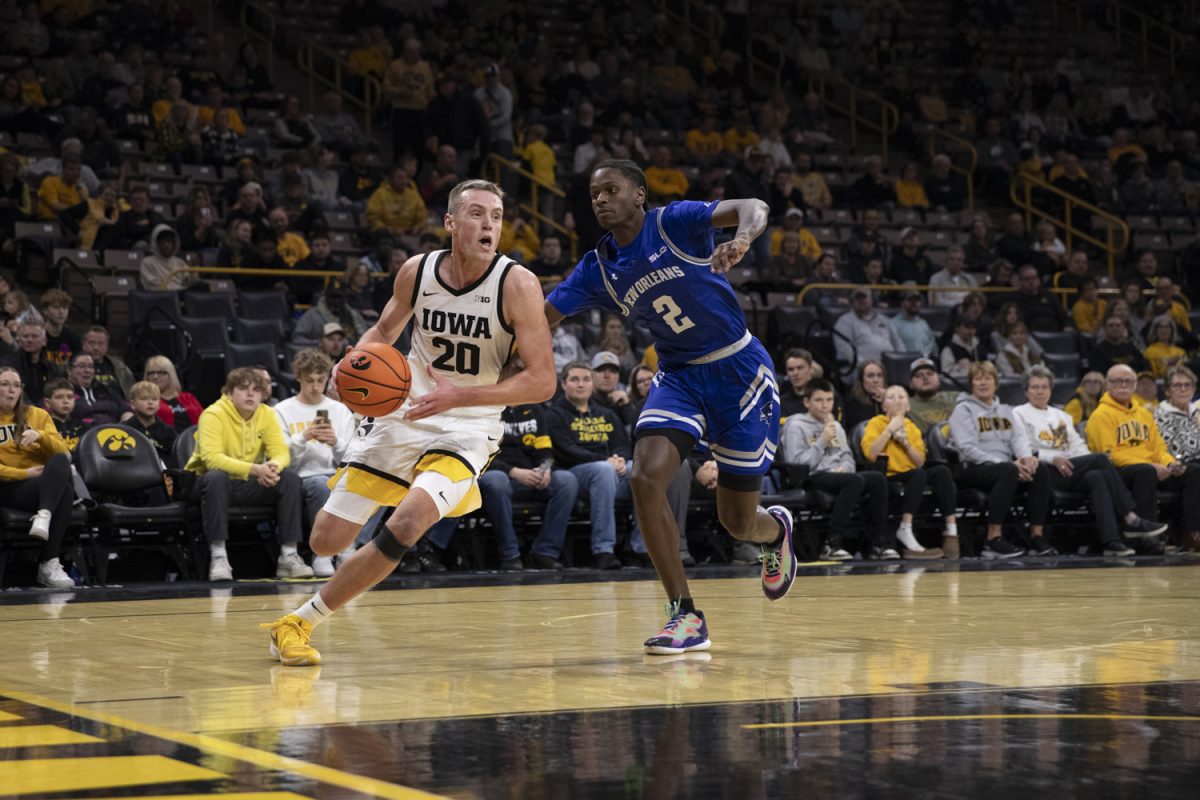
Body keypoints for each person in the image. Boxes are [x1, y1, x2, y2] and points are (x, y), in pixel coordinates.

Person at [262, 179, 556, 666]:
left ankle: (298, 622)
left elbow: (543, 381)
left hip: (469, 423)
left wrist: (460, 395)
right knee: (325, 540)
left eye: (497, 217)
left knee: (408, 520)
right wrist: (352, 362)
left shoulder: (517, 284)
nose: (489, 225)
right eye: (478, 214)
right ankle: (407, 483)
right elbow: (383, 330)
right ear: (450, 223)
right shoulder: (417, 272)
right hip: (405, 411)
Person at [543, 159, 793, 654]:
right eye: (594, 194)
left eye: (611, 189)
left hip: (737, 371)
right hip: (678, 376)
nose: (600, 200)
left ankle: (775, 533)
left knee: (737, 522)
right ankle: (685, 615)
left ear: (639, 194)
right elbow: (541, 316)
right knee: (644, 475)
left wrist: (741, 238)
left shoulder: (673, 222)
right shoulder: (597, 268)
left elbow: (754, 206)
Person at [1013, 366, 1163, 556]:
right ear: (1026, 391)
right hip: (1045, 472)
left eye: (1044, 387)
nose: (1040, 391)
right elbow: (1022, 448)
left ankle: (1112, 542)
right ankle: (1130, 517)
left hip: (1071, 469)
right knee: (1100, 459)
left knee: (1097, 475)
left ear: (1051, 389)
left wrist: (1085, 460)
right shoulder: (1018, 413)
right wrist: (1053, 458)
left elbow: (1077, 445)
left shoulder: (1062, 416)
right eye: (1034, 387)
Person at [186, 368, 310, 582]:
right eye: (243, 389)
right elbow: (212, 459)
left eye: (256, 390)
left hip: (247, 482)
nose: (251, 394)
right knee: (217, 477)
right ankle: (219, 556)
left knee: (289, 478)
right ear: (229, 392)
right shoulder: (213, 414)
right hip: (206, 483)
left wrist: (272, 467)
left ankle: (289, 555)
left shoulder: (267, 414)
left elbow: (281, 453)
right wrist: (256, 470)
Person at [1087, 364, 1199, 555]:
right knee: (1144, 472)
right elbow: (1108, 456)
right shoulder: (1101, 415)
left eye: (1128, 381)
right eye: (1117, 381)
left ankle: (1190, 533)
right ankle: (1144, 538)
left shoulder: (1144, 414)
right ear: (1107, 385)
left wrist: (1170, 463)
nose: (1123, 385)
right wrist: (1150, 465)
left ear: (1135, 385)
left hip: (1151, 468)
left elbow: (1158, 448)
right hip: (1119, 474)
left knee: (1193, 471)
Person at [948, 361, 1051, 558]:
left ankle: (1037, 536)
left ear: (996, 383)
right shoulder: (963, 410)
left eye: (988, 378)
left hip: (1006, 470)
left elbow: (1018, 438)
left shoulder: (1006, 411)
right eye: (978, 379)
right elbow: (967, 448)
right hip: (973, 469)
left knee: (1040, 470)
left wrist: (1026, 458)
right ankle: (993, 539)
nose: (983, 383)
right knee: (1008, 471)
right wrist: (1004, 464)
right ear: (971, 384)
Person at [482, 367, 579, 571]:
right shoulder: (485, 410)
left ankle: (544, 552)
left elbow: (546, 451)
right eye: (510, 379)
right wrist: (514, 472)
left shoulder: (535, 409)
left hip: (531, 477)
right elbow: (480, 454)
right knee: (497, 481)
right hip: (501, 476)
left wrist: (545, 469)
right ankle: (510, 555)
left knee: (567, 481)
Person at [780, 378, 889, 560]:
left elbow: (848, 457)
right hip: (812, 477)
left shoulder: (836, 426)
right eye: (819, 400)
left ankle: (875, 544)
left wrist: (844, 468)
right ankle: (832, 543)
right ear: (807, 402)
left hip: (839, 476)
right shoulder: (795, 427)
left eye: (829, 400)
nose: (825, 405)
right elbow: (797, 464)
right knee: (855, 481)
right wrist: (822, 441)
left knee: (877, 479)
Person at [273, 349, 357, 577]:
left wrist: (336, 443)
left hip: (335, 474)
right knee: (321, 484)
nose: (315, 386)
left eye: (321, 380)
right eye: (309, 380)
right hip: (300, 477)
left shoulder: (340, 411)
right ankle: (323, 553)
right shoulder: (281, 410)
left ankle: (348, 546)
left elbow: (351, 458)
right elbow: (281, 459)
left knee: (370, 483)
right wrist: (304, 437)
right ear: (298, 377)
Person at [546, 361, 634, 568]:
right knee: (603, 471)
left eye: (586, 379)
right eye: (574, 379)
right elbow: (567, 450)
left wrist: (620, 460)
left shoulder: (606, 413)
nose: (581, 384)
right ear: (563, 384)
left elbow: (623, 445)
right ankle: (604, 550)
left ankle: (640, 548)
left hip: (610, 471)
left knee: (639, 472)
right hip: (575, 474)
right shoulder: (555, 415)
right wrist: (606, 461)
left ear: (592, 383)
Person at [0, 366, 75, 588]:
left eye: (16, 385)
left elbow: (63, 451)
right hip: (6, 486)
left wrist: (40, 436)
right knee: (66, 492)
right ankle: (48, 562)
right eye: (5, 384)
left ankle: (44, 515)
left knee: (61, 460)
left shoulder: (38, 415)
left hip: (39, 488)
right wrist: (23, 473)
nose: (11, 390)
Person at [860, 385, 954, 559]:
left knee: (940, 470)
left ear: (908, 405)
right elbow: (871, 454)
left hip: (911, 474)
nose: (897, 400)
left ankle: (951, 530)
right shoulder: (876, 423)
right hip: (885, 476)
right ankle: (905, 528)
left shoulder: (912, 427)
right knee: (918, 475)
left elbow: (919, 462)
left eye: (901, 397)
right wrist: (889, 430)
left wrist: (905, 443)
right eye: (891, 397)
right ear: (883, 406)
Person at [1152, 366, 1200, 552]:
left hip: (1194, 465)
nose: (1183, 389)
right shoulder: (1161, 414)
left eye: (1187, 385)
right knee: (1195, 470)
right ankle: (1191, 532)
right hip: (1171, 468)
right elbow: (1169, 448)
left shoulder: (1196, 412)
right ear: (1167, 390)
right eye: (1177, 385)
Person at [834, 288, 904, 371]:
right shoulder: (844, 321)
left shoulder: (884, 319)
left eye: (864, 297)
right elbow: (845, 350)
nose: (861, 300)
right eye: (857, 298)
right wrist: (866, 366)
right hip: (858, 368)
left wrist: (902, 360)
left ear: (871, 300)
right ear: (852, 302)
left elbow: (897, 342)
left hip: (888, 366)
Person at [125, 380, 177, 468]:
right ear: (133, 404)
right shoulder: (124, 429)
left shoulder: (168, 431)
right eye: (144, 399)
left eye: (154, 399)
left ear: (159, 403)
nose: (150, 402)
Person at [142, 355, 202, 432]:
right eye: (151, 373)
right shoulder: (144, 401)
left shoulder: (188, 397)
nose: (155, 376)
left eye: (161, 372)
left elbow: (204, 418)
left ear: (171, 375)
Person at [66, 352, 123, 427]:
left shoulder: (104, 389)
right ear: (69, 371)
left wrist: (125, 420)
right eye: (82, 366)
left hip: (113, 432)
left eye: (91, 366)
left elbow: (125, 409)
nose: (87, 370)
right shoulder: (64, 391)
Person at [908, 357, 958, 434]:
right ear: (911, 384)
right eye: (918, 375)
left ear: (939, 379)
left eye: (930, 373)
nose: (925, 377)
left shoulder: (956, 397)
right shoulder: (905, 406)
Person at [140, 224, 191, 291]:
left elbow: (188, 283)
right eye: (162, 242)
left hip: (181, 297)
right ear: (156, 244)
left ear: (174, 243)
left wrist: (193, 269)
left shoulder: (180, 262)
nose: (166, 245)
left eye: (169, 242)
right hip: (161, 298)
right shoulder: (147, 263)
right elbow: (153, 287)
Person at [890, 290, 938, 357]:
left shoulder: (923, 323)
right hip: (903, 362)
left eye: (917, 300)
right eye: (910, 300)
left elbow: (933, 347)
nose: (914, 303)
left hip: (923, 363)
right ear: (902, 303)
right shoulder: (892, 324)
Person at [842, 359, 886, 430]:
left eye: (879, 375)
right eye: (870, 376)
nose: (876, 380)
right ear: (861, 380)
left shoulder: (891, 398)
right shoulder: (852, 401)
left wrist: (886, 401)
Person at [43, 377, 83, 452]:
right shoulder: (44, 428)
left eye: (70, 397)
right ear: (47, 403)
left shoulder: (83, 427)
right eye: (59, 397)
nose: (66, 401)